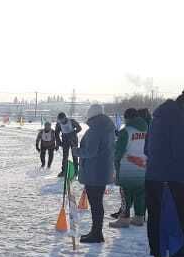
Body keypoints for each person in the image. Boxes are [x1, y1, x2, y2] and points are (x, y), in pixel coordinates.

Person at [145, 87, 184, 257]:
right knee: (179, 219)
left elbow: (147, 148)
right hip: (171, 179)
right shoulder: (178, 120)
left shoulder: (157, 118)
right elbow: (182, 151)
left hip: (153, 176)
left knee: (157, 218)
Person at [76, 104, 115, 243]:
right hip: (102, 171)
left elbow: (90, 152)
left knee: (96, 204)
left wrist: (76, 151)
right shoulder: (107, 128)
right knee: (97, 203)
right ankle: (96, 232)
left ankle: (96, 233)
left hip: (94, 172)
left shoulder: (96, 130)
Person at [109, 109, 148, 228]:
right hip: (143, 166)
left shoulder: (126, 131)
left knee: (125, 193)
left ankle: (124, 219)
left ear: (127, 118)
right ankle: (139, 217)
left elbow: (118, 151)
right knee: (140, 193)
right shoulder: (147, 130)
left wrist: (115, 163)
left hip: (127, 167)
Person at [55, 112, 82, 177]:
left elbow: (79, 128)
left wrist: (73, 133)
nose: (61, 121)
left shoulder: (72, 121)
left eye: (62, 119)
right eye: (60, 120)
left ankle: (76, 171)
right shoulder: (58, 124)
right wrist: (58, 142)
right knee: (65, 156)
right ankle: (64, 171)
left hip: (73, 139)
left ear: (65, 118)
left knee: (74, 155)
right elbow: (56, 133)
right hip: (65, 140)